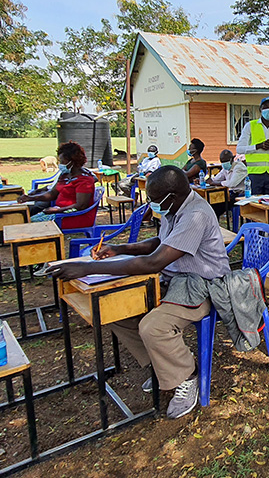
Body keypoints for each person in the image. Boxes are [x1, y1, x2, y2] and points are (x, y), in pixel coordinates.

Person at [49, 166, 231, 419]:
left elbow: (154, 262)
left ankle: (187, 375)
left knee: (153, 327)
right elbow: (160, 242)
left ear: (171, 196)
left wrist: (88, 267)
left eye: (154, 199)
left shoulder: (195, 214)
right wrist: (120, 248)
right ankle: (162, 365)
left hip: (203, 286)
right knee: (114, 309)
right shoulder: (174, 207)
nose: (150, 204)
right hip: (174, 280)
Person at [17, 141, 96, 228]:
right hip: (60, 213)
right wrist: (30, 198)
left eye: (62, 161)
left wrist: (57, 210)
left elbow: (81, 205)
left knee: (30, 225)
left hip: (74, 216)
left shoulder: (84, 180)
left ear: (72, 161)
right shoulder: (65, 176)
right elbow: (52, 194)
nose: (60, 164)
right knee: (25, 220)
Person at [236, 97, 269, 196]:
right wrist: (257, 146)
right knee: (255, 203)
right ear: (260, 109)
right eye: (265, 107)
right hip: (255, 174)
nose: (268, 110)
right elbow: (239, 149)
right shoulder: (250, 126)